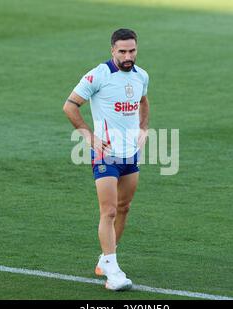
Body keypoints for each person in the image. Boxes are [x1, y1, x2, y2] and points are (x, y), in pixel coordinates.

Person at [62, 28, 150, 291]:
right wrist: (89, 137)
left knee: (124, 208)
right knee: (109, 210)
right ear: (112, 50)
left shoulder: (141, 76)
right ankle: (113, 272)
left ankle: (104, 260)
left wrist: (144, 127)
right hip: (105, 154)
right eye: (122, 51)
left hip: (130, 154)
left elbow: (143, 101)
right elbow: (70, 106)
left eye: (132, 50)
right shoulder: (98, 75)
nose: (127, 55)